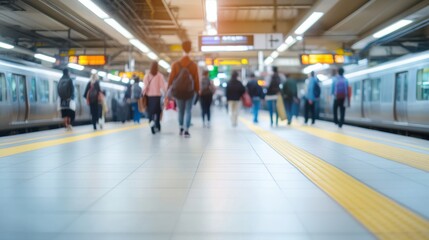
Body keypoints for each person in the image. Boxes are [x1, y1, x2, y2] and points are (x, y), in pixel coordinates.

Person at [167, 40, 199, 138]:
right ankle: (187, 130)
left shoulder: (176, 64)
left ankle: (181, 127)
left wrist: (169, 89)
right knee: (188, 110)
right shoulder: (193, 65)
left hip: (178, 91)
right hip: (190, 92)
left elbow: (171, 78)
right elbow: (196, 79)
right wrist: (197, 90)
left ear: (182, 49)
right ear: (190, 50)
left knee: (180, 110)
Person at [143, 61, 167, 134]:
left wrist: (143, 94)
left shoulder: (147, 76)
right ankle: (158, 124)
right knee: (158, 112)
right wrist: (166, 93)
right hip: (157, 97)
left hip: (149, 97)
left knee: (150, 113)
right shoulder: (160, 75)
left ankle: (152, 125)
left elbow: (145, 86)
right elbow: (163, 87)